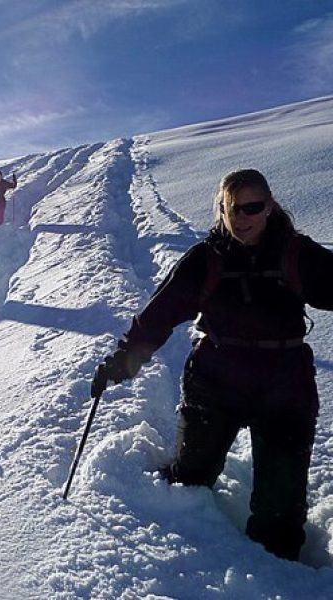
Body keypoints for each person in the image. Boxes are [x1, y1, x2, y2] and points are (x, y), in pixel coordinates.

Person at [91, 169, 333, 561]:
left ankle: (275, 578)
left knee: (279, 515)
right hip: (215, 383)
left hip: (285, 392)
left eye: (252, 207)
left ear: (270, 206)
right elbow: (160, 315)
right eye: (230, 208)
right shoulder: (207, 259)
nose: (240, 217)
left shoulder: (297, 254)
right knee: (189, 479)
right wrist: (123, 361)